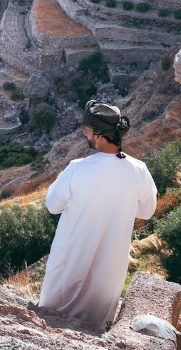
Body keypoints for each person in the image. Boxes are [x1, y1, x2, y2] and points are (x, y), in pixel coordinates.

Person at [39, 100, 158, 330]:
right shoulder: (139, 170)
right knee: (93, 328)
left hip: (68, 267)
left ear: (100, 135)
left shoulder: (77, 168)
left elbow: (53, 205)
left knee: (51, 324)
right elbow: (148, 210)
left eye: (87, 129)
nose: (84, 132)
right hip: (108, 275)